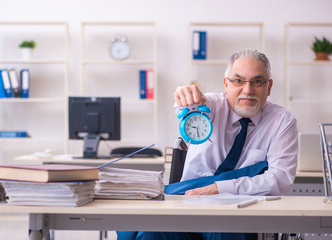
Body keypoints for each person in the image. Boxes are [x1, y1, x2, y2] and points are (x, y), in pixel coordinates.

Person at [117, 49, 298, 240]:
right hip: (187, 207)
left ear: (269, 87)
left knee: (222, 229)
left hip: (240, 214)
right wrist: (183, 95)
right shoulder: (211, 106)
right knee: (150, 233)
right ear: (225, 84)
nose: (247, 90)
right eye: (238, 81)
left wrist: (220, 187)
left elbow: (279, 181)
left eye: (257, 81)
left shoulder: (281, 122)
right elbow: (188, 107)